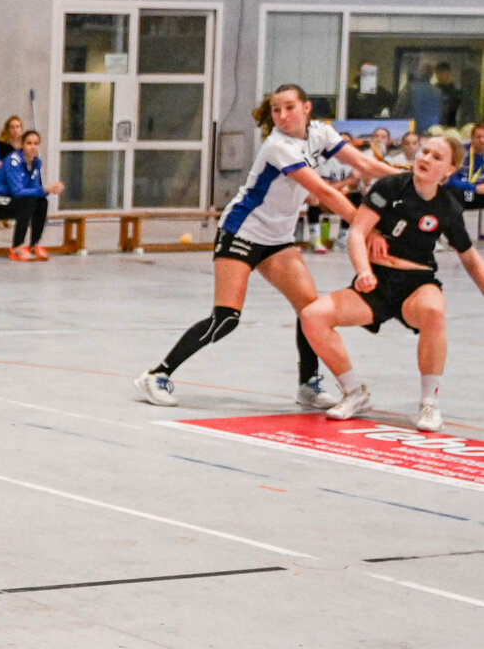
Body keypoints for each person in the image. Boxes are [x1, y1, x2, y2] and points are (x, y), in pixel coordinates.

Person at [134, 85, 395, 409]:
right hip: (242, 231)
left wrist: (411, 181)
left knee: (310, 312)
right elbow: (324, 193)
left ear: (306, 108)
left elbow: (366, 166)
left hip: (278, 239)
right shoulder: (278, 146)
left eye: (289, 107)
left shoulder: (320, 133)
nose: (282, 115)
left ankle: (308, 385)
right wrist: (366, 229)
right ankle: (157, 375)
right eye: (276, 110)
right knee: (226, 317)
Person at [301, 135, 484, 432]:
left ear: (449, 170)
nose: (426, 158)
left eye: (437, 157)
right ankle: (354, 392)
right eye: (425, 151)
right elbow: (358, 232)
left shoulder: (448, 207)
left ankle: (429, 402)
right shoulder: (391, 186)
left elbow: (471, 259)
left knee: (434, 311)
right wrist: (363, 271)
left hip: (417, 283)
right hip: (376, 281)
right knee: (312, 316)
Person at [0, 130, 64, 261]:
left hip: (12, 201)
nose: (32, 147)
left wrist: (47, 190)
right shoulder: (13, 161)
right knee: (27, 202)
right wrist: (44, 189)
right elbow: (17, 191)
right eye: (29, 143)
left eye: (36, 143)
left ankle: (34, 245)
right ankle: (16, 248)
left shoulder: (36, 163)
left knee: (41, 201)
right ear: (22, 145)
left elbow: (33, 189)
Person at [445, 122, 484, 211]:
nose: (482, 141)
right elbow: (448, 179)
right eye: (478, 137)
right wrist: (475, 188)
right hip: (460, 191)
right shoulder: (459, 150)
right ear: (472, 138)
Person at [393, 65, 443, 134]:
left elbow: (398, 112)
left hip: (411, 130)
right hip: (432, 131)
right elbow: (441, 114)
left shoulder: (409, 88)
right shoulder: (438, 91)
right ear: (431, 75)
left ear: (418, 73)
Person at [434, 62, 463, 128]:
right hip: (436, 124)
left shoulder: (454, 91)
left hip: (450, 124)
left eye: (443, 73)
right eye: (438, 73)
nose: (440, 76)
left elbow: (457, 109)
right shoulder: (434, 90)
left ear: (448, 73)